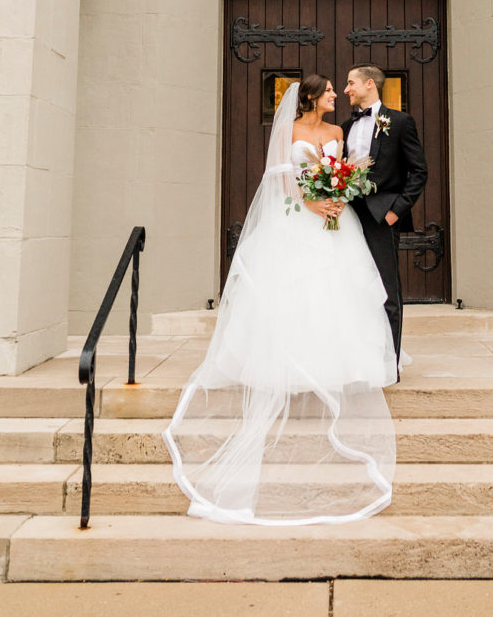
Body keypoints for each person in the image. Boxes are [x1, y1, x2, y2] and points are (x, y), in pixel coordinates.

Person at [163, 76, 398, 525]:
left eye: (338, 90)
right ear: (310, 98)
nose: (335, 96)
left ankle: (335, 367)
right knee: (292, 295)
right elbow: (279, 180)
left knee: (335, 296)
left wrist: (336, 197)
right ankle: (286, 367)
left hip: (334, 219)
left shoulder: (336, 135)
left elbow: (344, 171)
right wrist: (310, 205)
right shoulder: (289, 132)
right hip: (294, 220)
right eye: (330, 91)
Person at [343, 64, 428, 372]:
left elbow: (419, 171)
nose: (346, 89)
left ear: (369, 84)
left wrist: (396, 211)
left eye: (351, 83)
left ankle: (389, 364)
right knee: (353, 287)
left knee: (386, 290)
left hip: (382, 217)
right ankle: (357, 359)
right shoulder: (346, 125)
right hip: (348, 218)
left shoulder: (401, 122)